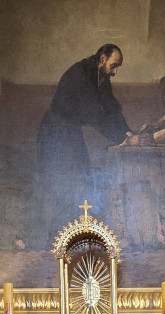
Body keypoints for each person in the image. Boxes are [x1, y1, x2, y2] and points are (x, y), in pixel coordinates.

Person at [35, 44, 144, 240]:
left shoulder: (101, 76)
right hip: (55, 135)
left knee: (81, 178)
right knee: (64, 184)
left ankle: (72, 235)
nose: (115, 71)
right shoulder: (80, 75)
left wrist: (127, 133)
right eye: (113, 65)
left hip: (71, 133)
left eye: (117, 67)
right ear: (102, 59)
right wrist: (121, 138)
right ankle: (56, 240)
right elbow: (94, 114)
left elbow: (111, 108)